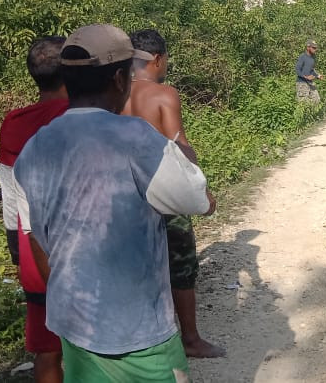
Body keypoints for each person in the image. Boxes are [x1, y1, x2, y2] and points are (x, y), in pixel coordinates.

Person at [13, 24, 216, 381]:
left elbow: (36, 237)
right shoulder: (135, 138)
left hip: (75, 325)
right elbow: (196, 199)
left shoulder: (35, 147)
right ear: (120, 79)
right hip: (138, 330)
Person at [122, 29, 226, 359]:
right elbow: (178, 147)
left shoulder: (114, 93)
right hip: (162, 189)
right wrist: (200, 188)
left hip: (125, 192)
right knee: (181, 264)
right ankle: (190, 339)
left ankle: (140, 339)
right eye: (165, 60)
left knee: (137, 264)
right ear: (156, 59)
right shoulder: (164, 94)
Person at [0, 36, 69, 383]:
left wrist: (17, 250)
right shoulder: (80, 117)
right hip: (80, 250)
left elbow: (10, 197)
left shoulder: (14, 123)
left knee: (47, 349)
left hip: (32, 250)